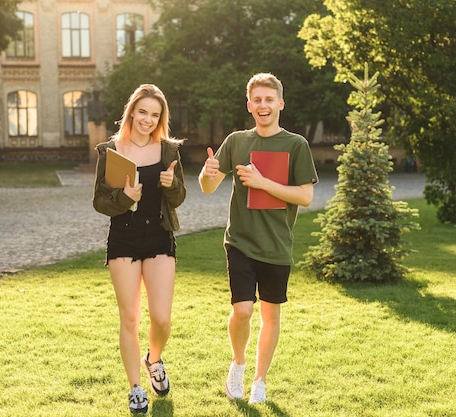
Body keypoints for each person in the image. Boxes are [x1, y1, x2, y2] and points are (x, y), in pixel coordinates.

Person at [198, 73, 318, 404]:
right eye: (257, 100)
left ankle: (259, 380)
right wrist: (207, 174)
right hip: (240, 241)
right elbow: (208, 188)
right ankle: (238, 363)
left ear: (280, 103)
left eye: (269, 99)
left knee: (271, 315)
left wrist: (263, 183)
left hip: (277, 245)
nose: (263, 105)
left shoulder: (296, 145)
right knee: (242, 310)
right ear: (249, 105)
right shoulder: (237, 141)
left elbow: (305, 197)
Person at [92, 84, 186, 414]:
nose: (148, 119)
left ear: (161, 118)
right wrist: (125, 199)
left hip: (160, 237)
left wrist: (170, 185)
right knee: (130, 317)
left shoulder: (167, 150)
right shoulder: (110, 150)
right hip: (124, 239)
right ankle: (135, 388)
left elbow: (179, 197)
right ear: (132, 110)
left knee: (161, 318)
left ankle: (154, 359)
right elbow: (100, 202)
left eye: (155, 114)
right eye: (143, 111)